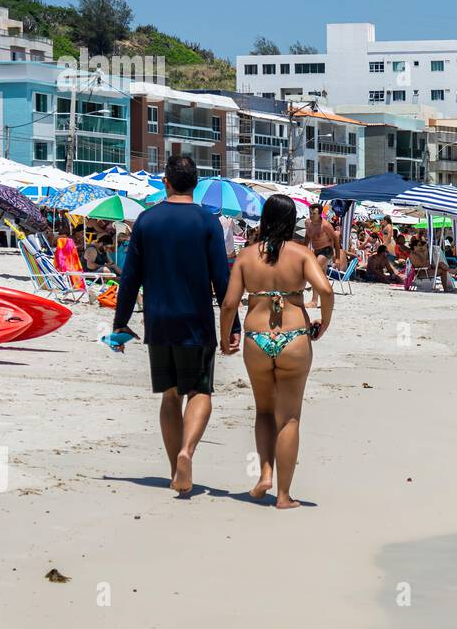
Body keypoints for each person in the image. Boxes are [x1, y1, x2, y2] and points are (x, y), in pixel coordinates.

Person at [112, 155, 238, 495]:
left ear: (166, 181)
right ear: (195, 184)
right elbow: (221, 280)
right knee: (199, 390)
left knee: (170, 397)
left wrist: (120, 323)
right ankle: (188, 452)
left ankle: (174, 471)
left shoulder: (146, 220)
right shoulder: (207, 222)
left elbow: (130, 279)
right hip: (195, 321)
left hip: (158, 320)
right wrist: (233, 325)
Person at [220, 194, 332, 509]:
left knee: (264, 411)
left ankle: (264, 474)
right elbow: (324, 289)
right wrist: (325, 320)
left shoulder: (246, 256)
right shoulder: (300, 253)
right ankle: (283, 496)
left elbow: (229, 303)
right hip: (295, 336)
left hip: (256, 338)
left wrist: (224, 336)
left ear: (265, 219)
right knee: (290, 417)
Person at [304, 205, 338, 306]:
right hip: (316, 250)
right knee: (322, 276)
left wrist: (338, 258)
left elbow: (335, 239)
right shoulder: (307, 223)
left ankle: (314, 301)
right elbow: (307, 236)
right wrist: (304, 249)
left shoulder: (325, 225)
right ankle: (327, 298)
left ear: (319, 214)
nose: (311, 215)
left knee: (315, 271)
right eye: (310, 212)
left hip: (327, 250)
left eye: (314, 213)